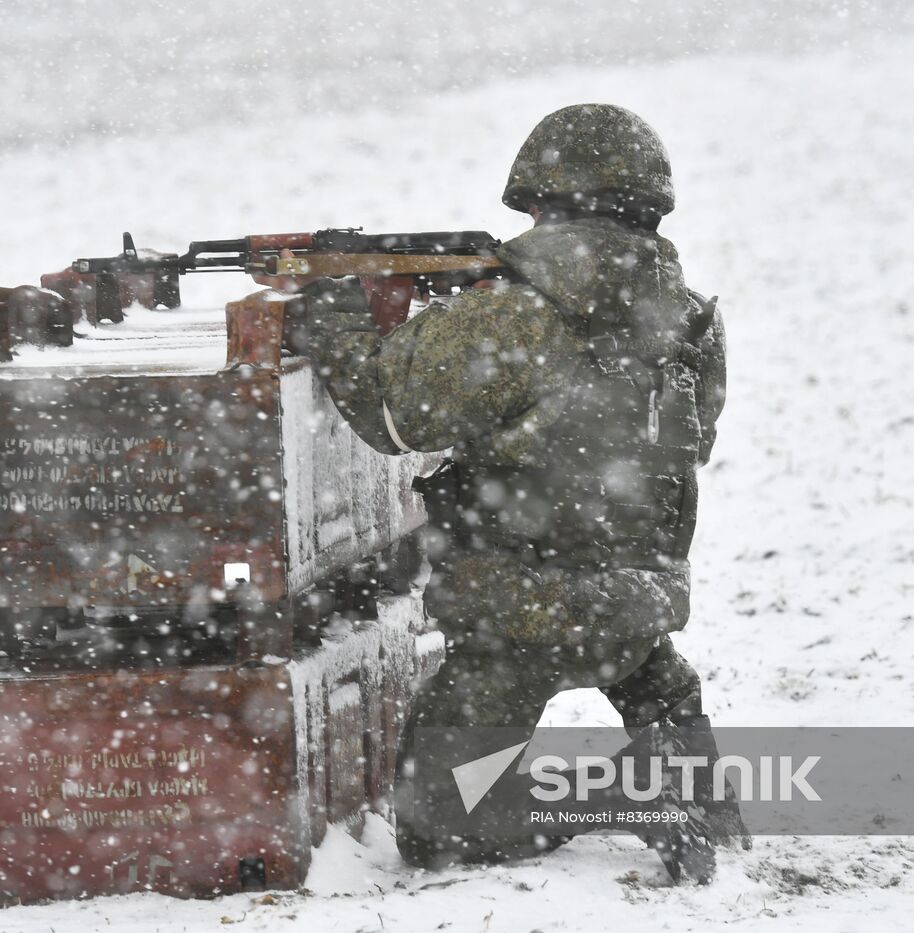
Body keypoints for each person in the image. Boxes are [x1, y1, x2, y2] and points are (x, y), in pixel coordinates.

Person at [282, 104, 743, 883]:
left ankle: (625, 801)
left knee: (437, 824)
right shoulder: (691, 318)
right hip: (639, 603)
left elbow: (394, 415)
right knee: (636, 657)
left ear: (542, 199)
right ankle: (684, 761)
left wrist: (335, 315)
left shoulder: (512, 313)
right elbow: (686, 442)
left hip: (519, 615)